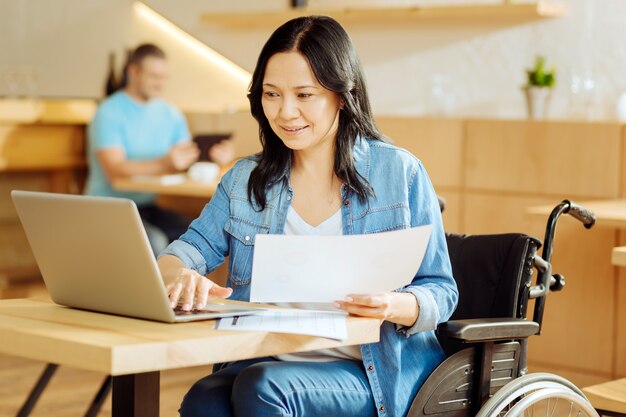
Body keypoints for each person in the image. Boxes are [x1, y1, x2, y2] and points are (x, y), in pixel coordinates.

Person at [158, 16, 458, 417]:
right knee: (204, 398)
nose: (285, 112)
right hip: (264, 361)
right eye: (271, 94)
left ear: (341, 95)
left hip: (371, 371)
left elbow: (441, 291)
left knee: (264, 389)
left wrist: (391, 305)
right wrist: (179, 275)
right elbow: (181, 254)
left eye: (304, 95)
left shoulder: (399, 173)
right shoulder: (245, 181)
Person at [85, 43, 234, 254]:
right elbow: (114, 169)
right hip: (107, 207)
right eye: (154, 76)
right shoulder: (109, 112)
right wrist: (164, 163)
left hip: (147, 207)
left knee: (197, 236)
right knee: (153, 242)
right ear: (133, 72)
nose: (160, 84)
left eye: (164, 77)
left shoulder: (171, 114)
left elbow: (185, 159)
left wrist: (215, 158)